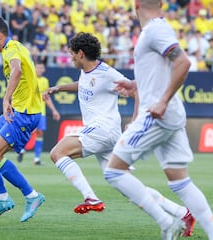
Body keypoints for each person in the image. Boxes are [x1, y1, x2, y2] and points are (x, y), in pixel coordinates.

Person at [44, 32, 195, 237]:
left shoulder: (108, 73)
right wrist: (60, 87)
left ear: (80, 53)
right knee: (128, 187)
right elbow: (85, 85)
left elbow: (136, 90)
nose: (70, 58)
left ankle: (91, 197)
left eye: (71, 54)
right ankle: (183, 213)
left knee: (57, 152)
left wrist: (134, 120)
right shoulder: (86, 70)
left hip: (102, 129)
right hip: (107, 134)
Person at [102, 1, 213, 239]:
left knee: (113, 171)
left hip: (157, 114)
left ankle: (166, 221)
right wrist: (135, 85)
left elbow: (183, 62)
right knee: (180, 181)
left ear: (136, 4)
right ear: (161, 4)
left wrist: (161, 100)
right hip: (169, 114)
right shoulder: (158, 28)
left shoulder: (154, 30)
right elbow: (159, 71)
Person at [0, 15, 45, 222]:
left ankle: (32, 195)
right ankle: (2, 199)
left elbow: (16, 70)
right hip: (17, 111)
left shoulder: (11, 47)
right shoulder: (11, 48)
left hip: (24, 113)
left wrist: (6, 99)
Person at [17, 62, 61, 165]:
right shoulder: (30, 78)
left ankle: (36, 158)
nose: (40, 69)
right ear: (34, 68)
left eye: (41, 67)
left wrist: (54, 110)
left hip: (41, 111)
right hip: (31, 110)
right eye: (38, 67)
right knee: (30, 131)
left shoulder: (45, 81)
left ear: (44, 69)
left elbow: (46, 97)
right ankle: (22, 149)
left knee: (40, 133)